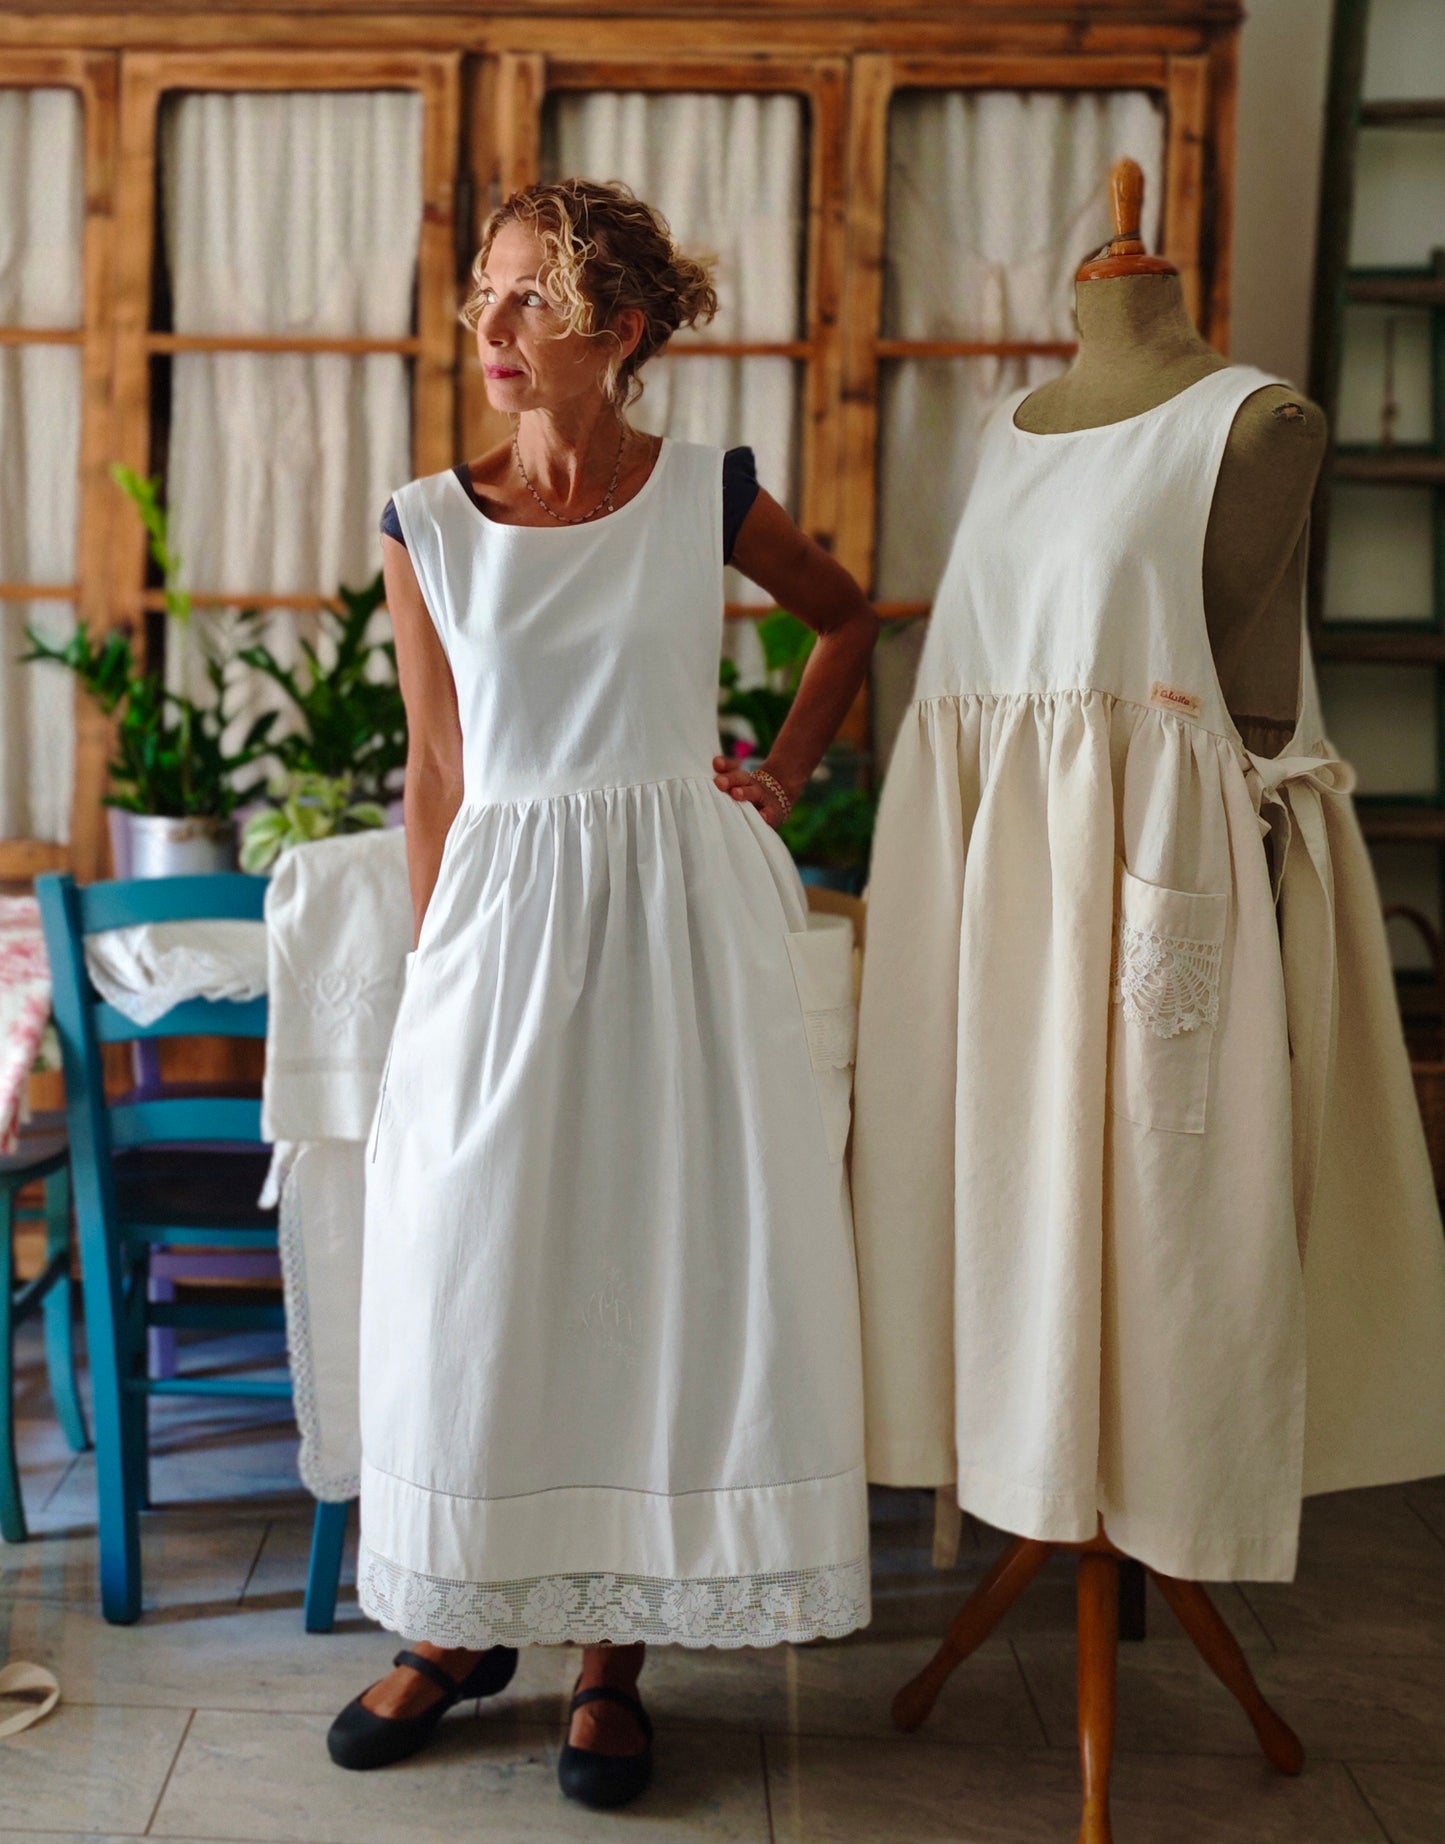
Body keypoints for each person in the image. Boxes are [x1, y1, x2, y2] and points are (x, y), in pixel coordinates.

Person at [326, 177, 881, 1810]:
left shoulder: (704, 488)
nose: (490, 333)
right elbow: (438, 763)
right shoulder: (424, 519)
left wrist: (778, 774)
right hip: (498, 926)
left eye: (528, 303)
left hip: (678, 925)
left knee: (655, 1264)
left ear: (619, 331)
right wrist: (434, 973)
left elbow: (846, 622)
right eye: (482, 300)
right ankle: (452, 1626)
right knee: (470, 1263)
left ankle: (609, 1658)